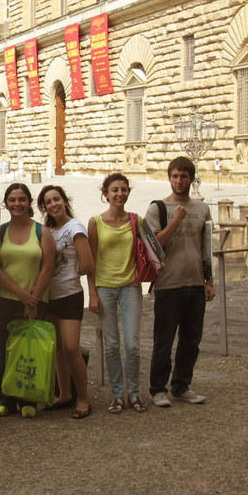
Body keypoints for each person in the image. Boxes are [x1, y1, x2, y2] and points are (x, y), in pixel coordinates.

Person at [145, 156, 215, 407]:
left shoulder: (202, 209)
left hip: (195, 283)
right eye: (175, 175)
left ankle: (181, 385)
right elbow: (154, 246)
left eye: (184, 176)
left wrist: (209, 280)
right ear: (169, 177)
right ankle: (157, 388)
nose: (179, 180)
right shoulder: (157, 208)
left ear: (191, 178)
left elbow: (206, 247)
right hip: (168, 284)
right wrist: (176, 220)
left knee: (191, 340)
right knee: (163, 341)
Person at [0, 183, 55, 419]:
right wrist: (20, 293)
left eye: (22, 199)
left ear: (29, 202)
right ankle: (5, 399)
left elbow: (48, 267)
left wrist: (33, 298)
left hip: (36, 300)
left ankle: (28, 399)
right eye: (12, 200)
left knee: (30, 349)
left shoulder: (42, 231)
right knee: (4, 350)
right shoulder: (0, 232)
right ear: (5, 203)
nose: (17, 204)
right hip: (5, 299)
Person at [87, 174, 147, 415]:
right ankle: (117, 394)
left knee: (132, 344)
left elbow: (149, 249)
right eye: (115, 190)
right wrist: (91, 293)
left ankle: (134, 393)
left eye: (123, 189)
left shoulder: (137, 221)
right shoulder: (95, 222)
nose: (119, 194)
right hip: (104, 287)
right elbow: (89, 262)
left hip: (131, 286)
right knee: (111, 345)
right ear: (106, 194)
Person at [37, 185, 93, 419]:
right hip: (50, 297)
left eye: (56, 199)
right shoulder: (49, 229)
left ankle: (83, 398)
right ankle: (65, 394)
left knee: (71, 348)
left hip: (69, 294)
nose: (53, 205)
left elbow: (88, 264)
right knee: (58, 348)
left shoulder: (75, 228)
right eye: (48, 202)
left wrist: (69, 273)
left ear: (65, 200)